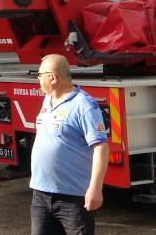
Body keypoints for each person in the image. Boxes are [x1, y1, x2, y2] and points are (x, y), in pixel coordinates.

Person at [30, 54, 109, 235]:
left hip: (72, 199)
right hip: (41, 195)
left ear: (53, 77)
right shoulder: (48, 100)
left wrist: (96, 189)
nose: (38, 78)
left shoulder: (84, 105)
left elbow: (101, 148)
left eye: (40, 74)